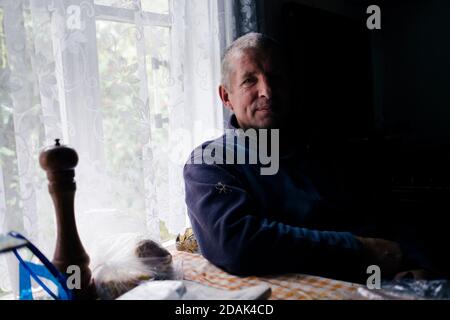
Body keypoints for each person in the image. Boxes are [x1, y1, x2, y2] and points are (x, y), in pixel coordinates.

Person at [183, 32, 435, 283]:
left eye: (275, 78)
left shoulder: (327, 148)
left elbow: (386, 213)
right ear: (227, 97)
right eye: (250, 81)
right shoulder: (210, 162)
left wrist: (419, 265)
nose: (267, 92)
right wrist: (361, 249)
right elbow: (236, 243)